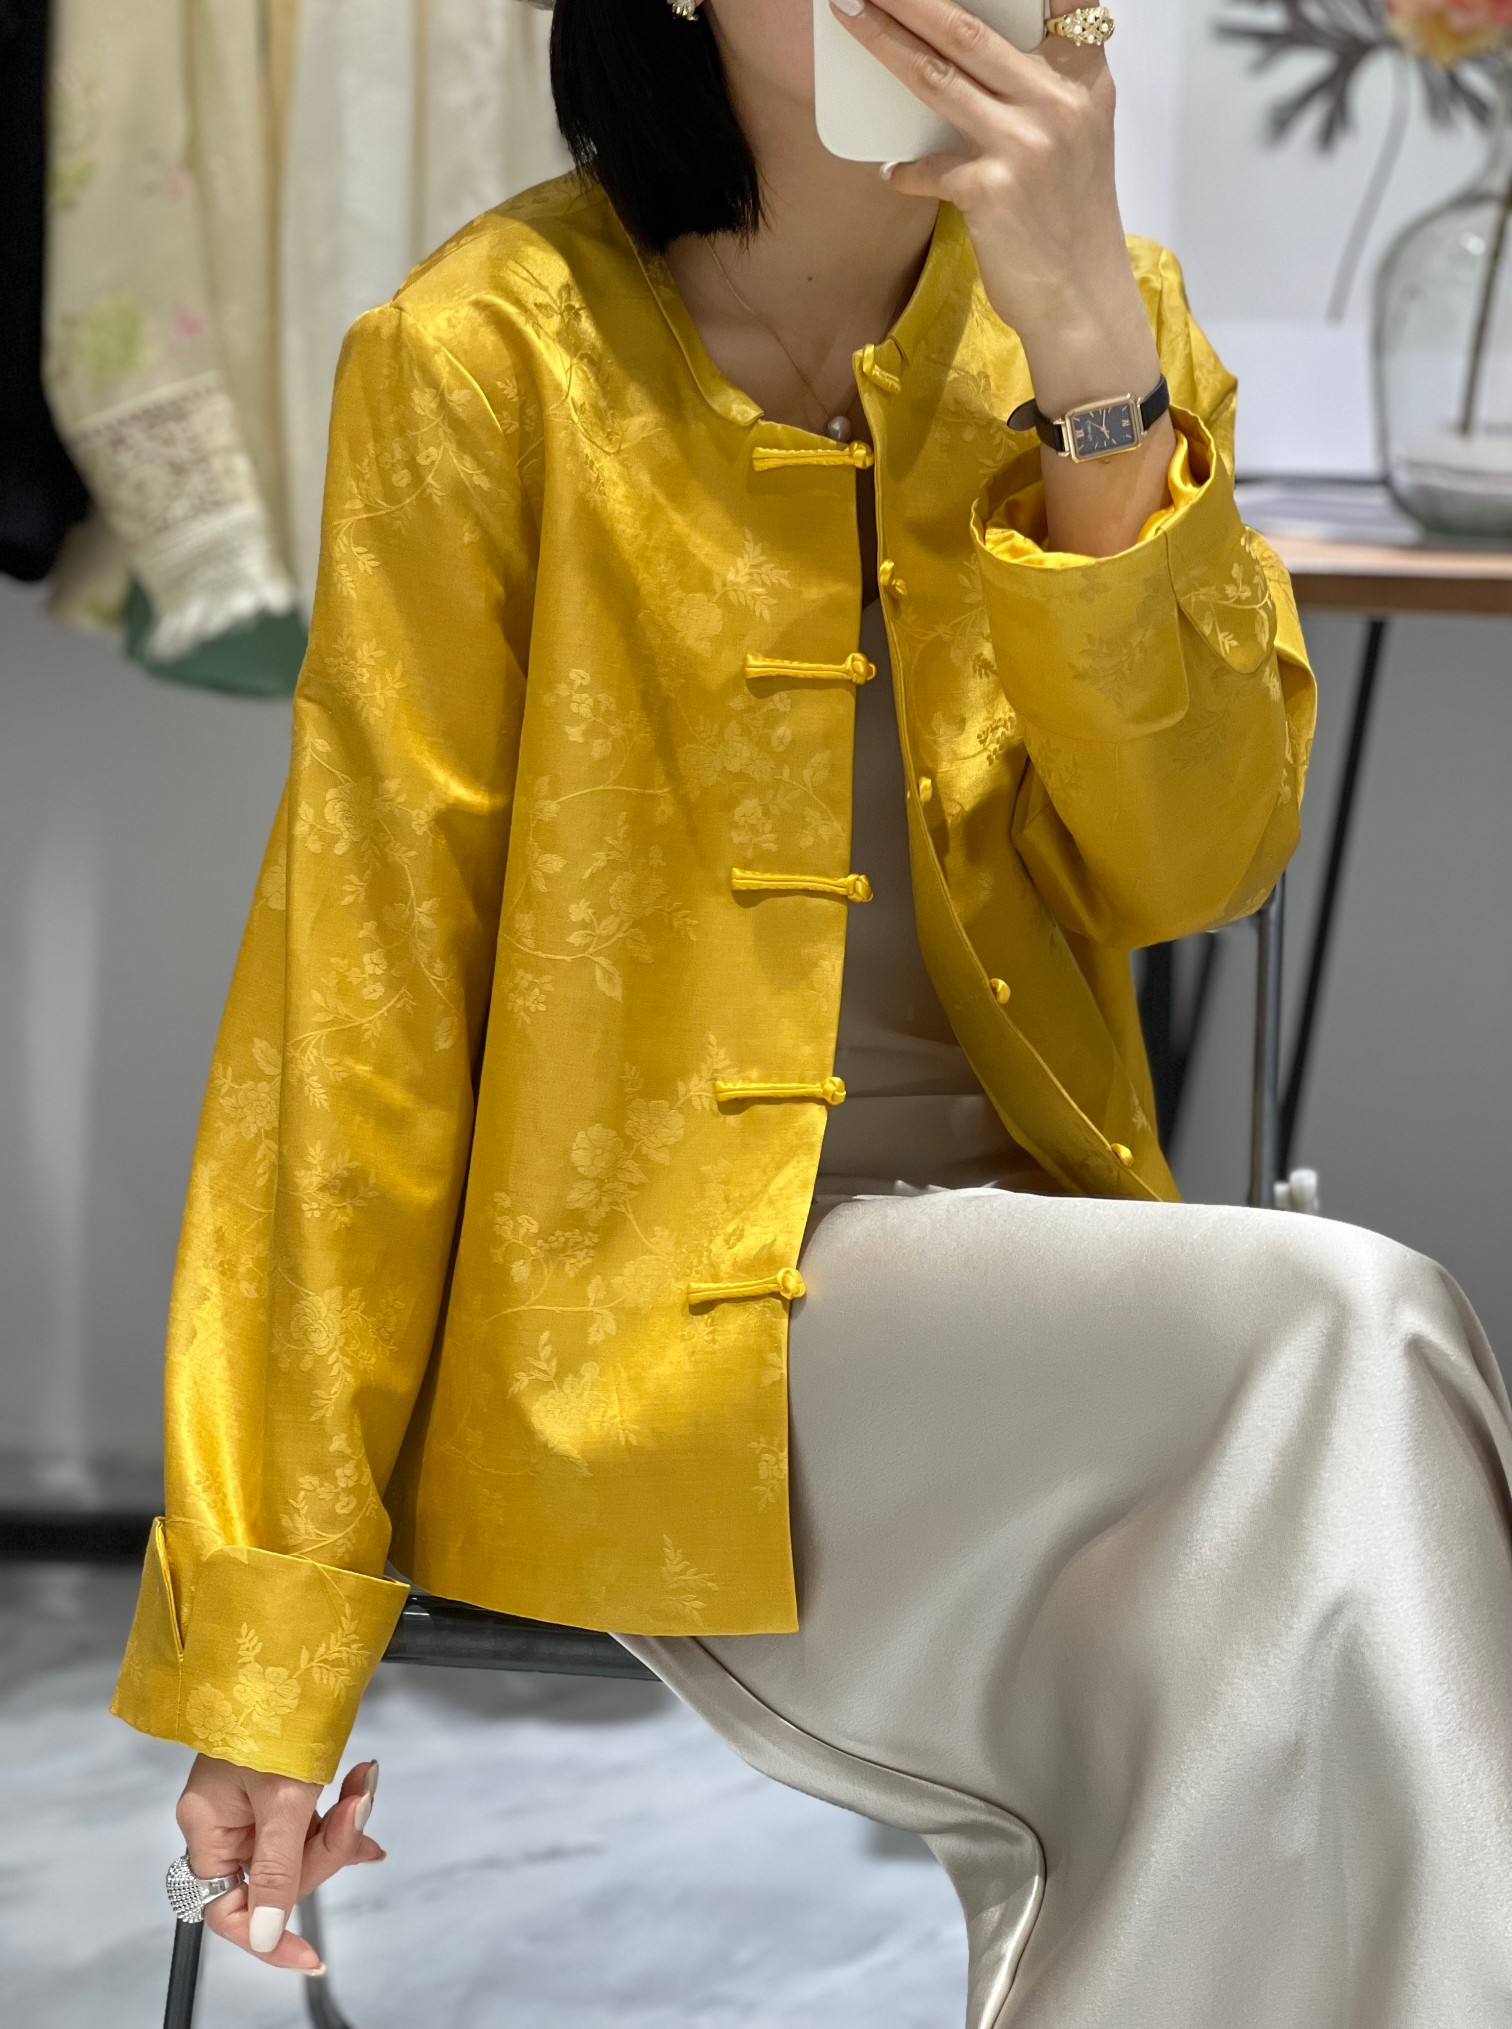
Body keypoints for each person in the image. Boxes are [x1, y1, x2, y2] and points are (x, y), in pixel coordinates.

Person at [112, 0, 1512, 2019]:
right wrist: (267, 1639)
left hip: (1031, 1289)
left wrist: (1090, 361)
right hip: (648, 1347)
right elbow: (357, 1014)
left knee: (1337, 1492)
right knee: (1351, 1336)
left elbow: (1199, 862)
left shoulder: (1098, 327)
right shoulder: (486, 353)